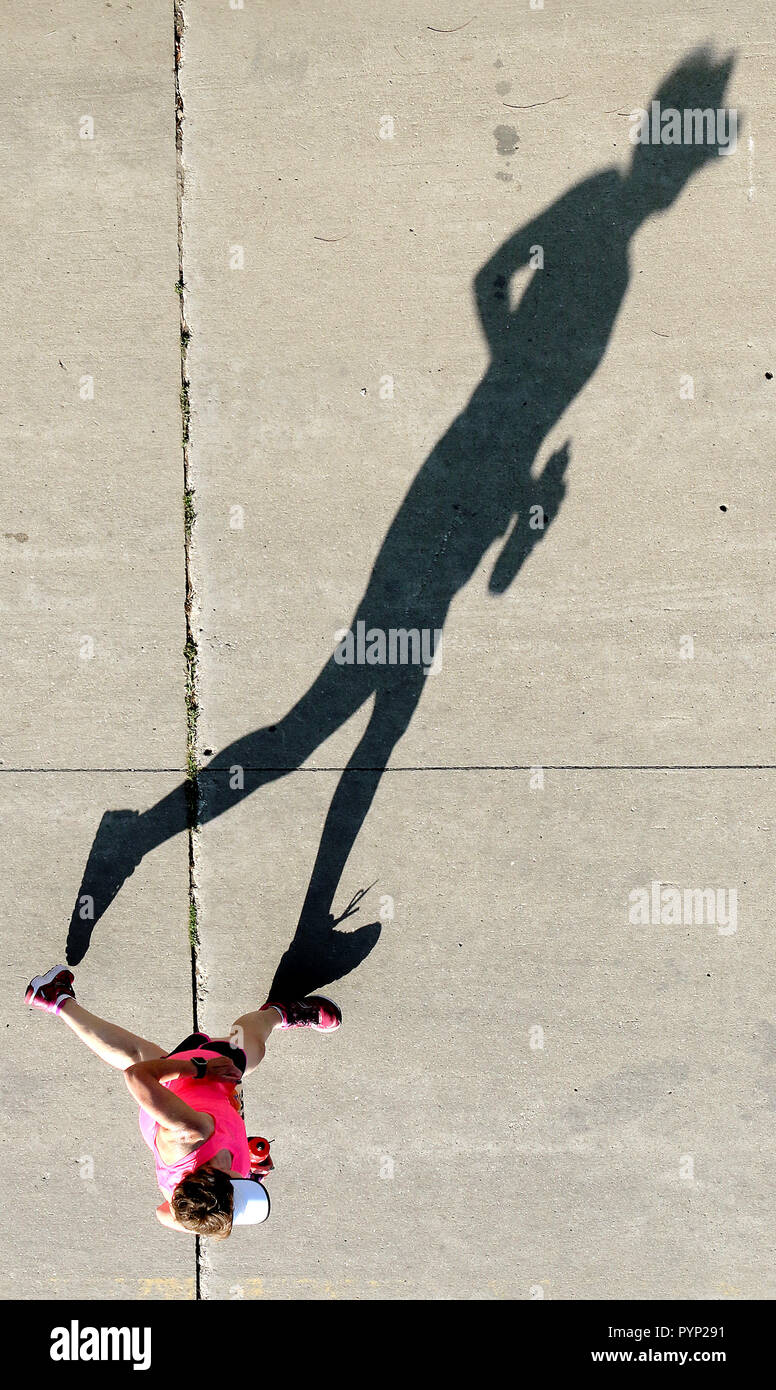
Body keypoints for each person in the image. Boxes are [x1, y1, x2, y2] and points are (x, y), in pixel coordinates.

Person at [24, 963, 341, 1237]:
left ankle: (279, 1011)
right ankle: (55, 998)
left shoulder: (191, 1133)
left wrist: (198, 1067)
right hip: (177, 1111)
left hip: (196, 1080)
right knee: (137, 1053)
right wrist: (247, 1171)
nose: (243, 1189)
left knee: (248, 1049)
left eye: (237, 1192)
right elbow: (164, 1216)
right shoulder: (189, 1205)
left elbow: (136, 1077)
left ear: (215, 1174)